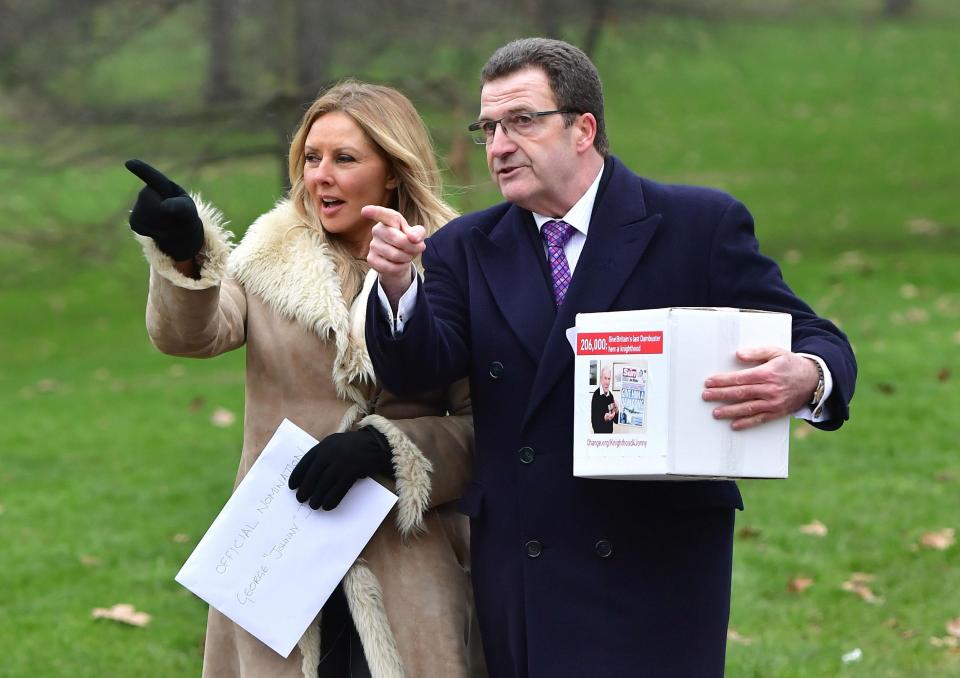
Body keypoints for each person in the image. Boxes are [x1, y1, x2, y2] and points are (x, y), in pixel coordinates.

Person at [363, 38, 857, 677]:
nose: (499, 145)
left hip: (657, 567)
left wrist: (807, 377)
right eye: (488, 127)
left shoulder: (696, 224)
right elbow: (420, 369)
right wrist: (400, 289)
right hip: (526, 562)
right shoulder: (466, 246)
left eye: (522, 121)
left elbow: (820, 338)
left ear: (582, 128)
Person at [125, 81, 484, 678]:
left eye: (345, 159)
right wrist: (185, 255)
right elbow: (193, 335)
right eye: (311, 158)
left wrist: (387, 449)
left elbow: (487, 428)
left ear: (392, 172)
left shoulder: (453, 262)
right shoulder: (268, 256)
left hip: (407, 558)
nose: (321, 176)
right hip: (278, 552)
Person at [590, 366, 617, 433]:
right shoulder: (596, 396)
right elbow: (595, 425)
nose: (607, 382)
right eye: (605, 378)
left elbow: (616, 421)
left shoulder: (611, 396)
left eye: (609, 379)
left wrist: (616, 411)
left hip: (609, 438)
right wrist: (604, 418)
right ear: (601, 379)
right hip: (600, 439)